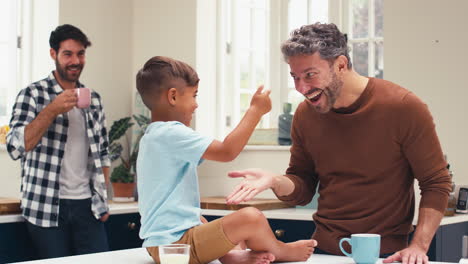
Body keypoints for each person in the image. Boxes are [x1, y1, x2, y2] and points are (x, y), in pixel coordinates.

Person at [226, 23, 452, 264]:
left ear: (341, 65)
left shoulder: (403, 107)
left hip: (385, 255)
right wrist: (274, 181)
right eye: (295, 77)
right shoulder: (305, 114)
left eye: (310, 75)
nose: (301, 88)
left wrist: (418, 246)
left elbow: (436, 183)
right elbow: (302, 187)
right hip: (322, 251)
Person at [135, 56, 317, 264]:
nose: (196, 105)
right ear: (173, 96)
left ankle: (231, 256)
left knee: (204, 220)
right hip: (177, 245)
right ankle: (281, 250)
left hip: (164, 245)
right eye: (194, 95)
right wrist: (255, 111)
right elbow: (227, 151)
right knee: (251, 217)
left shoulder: (154, 137)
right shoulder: (170, 133)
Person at [6, 24, 110, 258]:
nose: (75, 60)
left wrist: (103, 199)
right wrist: (51, 110)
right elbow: (15, 147)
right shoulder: (32, 94)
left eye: (80, 53)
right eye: (68, 54)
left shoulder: (94, 99)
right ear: (53, 54)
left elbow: (102, 153)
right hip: (45, 206)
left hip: (88, 206)